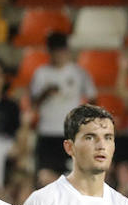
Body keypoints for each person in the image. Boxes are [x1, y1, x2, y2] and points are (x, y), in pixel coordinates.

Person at [30, 32, 97, 173]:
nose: (59, 55)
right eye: (55, 52)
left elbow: (92, 98)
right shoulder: (41, 73)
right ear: (50, 52)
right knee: (45, 176)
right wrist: (46, 92)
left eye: (62, 51)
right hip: (47, 131)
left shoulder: (79, 73)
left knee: (70, 175)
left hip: (70, 133)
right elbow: (33, 104)